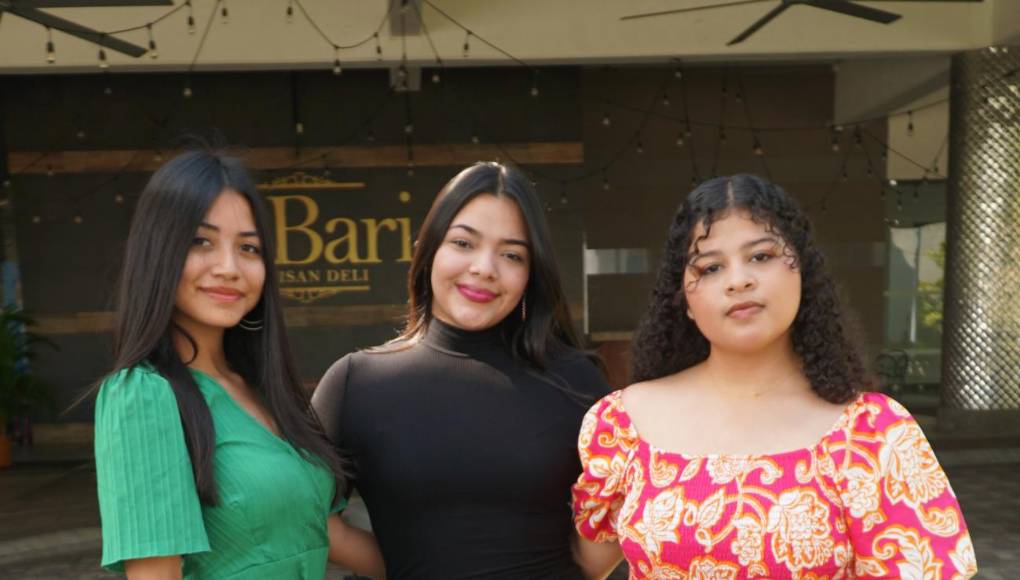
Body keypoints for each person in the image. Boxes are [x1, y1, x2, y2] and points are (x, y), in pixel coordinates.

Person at [571, 174, 976, 579]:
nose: (738, 280)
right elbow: (578, 565)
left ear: (802, 270)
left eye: (761, 256)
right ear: (685, 300)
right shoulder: (625, 423)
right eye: (711, 267)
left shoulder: (872, 433)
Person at [312, 161, 612, 579]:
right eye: (464, 243)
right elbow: (308, 518)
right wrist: (405, 565)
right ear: (429, 248)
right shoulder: (356, 384)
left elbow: (603, 540)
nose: (484, 268)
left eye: (511, 254)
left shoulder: (577, 381)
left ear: (531, 273)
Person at [92, 149, 384, 579]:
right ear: (158, 253)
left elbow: (328, 534)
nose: (229, 268)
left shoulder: (265, 392)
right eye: (200, 241)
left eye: (249, 248)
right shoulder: (143, 394)